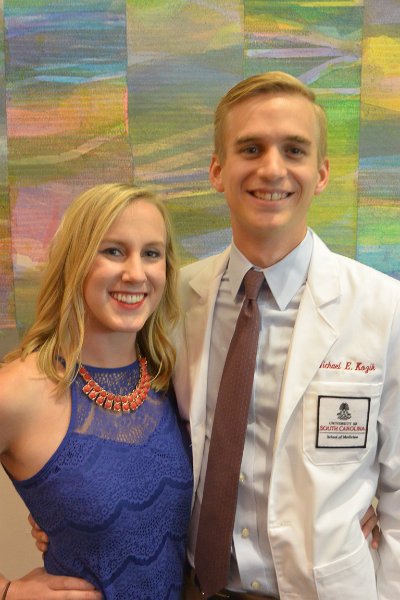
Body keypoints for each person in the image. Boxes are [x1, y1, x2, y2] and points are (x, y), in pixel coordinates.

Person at [171, 72, 400, 599]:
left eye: (294, 150)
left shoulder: (384, 308)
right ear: (217, 170)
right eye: (250, 148)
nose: (272, 168)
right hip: (193, 588)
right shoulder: (172, 302)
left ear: (321, 173)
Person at [0, 184, 193, 599]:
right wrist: (8, 591)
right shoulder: (19, 390)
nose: (136, 273)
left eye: (152, 253)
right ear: (76, 260)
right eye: (114, 251)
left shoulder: (169, 378)